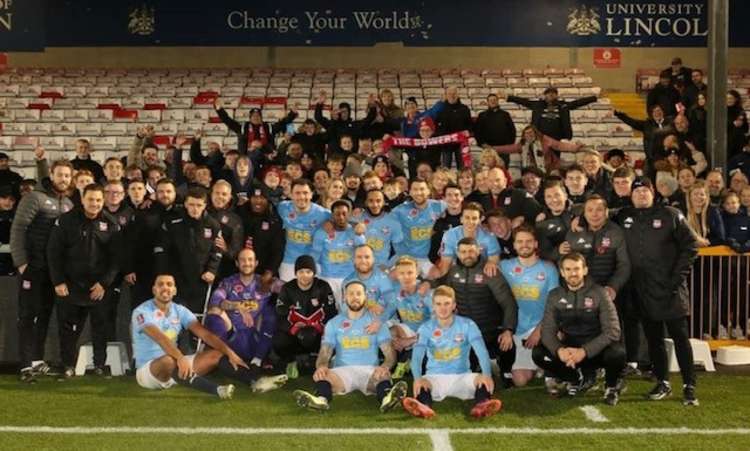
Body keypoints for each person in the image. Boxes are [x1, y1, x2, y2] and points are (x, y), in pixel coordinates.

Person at [615, 177, 699, 406]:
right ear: (630, 195)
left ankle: (689, 385)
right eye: (637, 190)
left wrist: (676, 278)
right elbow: (596, 216)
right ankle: (663, 382)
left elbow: (690, 246)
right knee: (654, 340)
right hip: (642, 290)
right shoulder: (623, 216)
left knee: (681, 338)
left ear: (653, 193)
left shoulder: (670, 214)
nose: (641, 194)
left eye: (645, 190)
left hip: (670, 290)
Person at [131, 274, 258, 398]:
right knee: (168, 361)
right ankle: (217, 390)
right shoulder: (142, 311)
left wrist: (230, 353)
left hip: (176, 366)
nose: (165, 288)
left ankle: (255, 382)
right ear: (154, 290)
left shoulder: (179, 310)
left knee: (216, 354)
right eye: (160, 284)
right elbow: (161, 339)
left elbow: (205, 335)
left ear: (174, 291)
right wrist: (180, 358)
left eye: (169, 284)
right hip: (148, 372)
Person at [292, 280, 407, 413]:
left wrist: (385, 367)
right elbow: (325, 351)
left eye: (359, 293)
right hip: (342, 372)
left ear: (366, 297)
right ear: (344, 297)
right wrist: (321, 366)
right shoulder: (334, 323)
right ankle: (320, 400)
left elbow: (390, 354)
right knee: (323, 375)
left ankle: (387, 399)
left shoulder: (376, 323)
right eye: (351, 294)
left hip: (369, 371)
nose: (355, 297)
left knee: (383, 375)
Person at [46, 184, 122, 378]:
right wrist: (58, 281)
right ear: (82, 199)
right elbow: (53, 253)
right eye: (91, 199)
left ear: (103, 200)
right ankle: (68, 365)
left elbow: (116, 258)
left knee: (100, 328)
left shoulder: (111, 223)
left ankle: (99, 365)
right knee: (68, 329)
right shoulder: (66, 221)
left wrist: (104, 283)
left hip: (98, 288)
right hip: (70, 286)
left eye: (98, 200)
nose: (94, 204)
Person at [532, 252, 626, 405]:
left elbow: (613, 331)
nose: (573, 273)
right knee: (538, 354)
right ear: (562, 272)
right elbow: (547, 331)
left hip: (595, 352)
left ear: (585, 270)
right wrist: (559, 350)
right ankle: (574, 379)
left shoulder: (600, 293)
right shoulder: (554, 295)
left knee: (617, 353)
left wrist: (585, 351)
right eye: (568, 270)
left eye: (576, 269)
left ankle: (611, 387)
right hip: (569, 353)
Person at [10, 159, 73, 383]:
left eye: (67, 175)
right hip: (32, 268)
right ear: (51, 176)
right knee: (28, 316)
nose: (63, 179)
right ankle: (25, 365)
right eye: (60, 175)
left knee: (44, 315)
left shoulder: (68, 204)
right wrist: (21, 263)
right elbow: (18, 229)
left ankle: (37, 360)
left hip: (52, 272)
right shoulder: (34, 198)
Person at [401, 285, 503, 419]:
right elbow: (417, 358)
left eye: (447, 304)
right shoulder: (425, 328)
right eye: (438, 304)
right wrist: (417, 379)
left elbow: (481, 351)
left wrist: (487, 374)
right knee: (423, 384)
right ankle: (424, 406)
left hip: (462, 377)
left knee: (481, 379)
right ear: (433, 306)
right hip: (435, 379)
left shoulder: (468, 325)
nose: (443, 308)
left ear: (454, 305)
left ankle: (482, 405)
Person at [434, 237, 518, 386]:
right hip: (465, 333)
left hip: (490, 330)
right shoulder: (453, 272)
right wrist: (423, 283)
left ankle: (505, 370)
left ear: (478, 251)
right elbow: (440, 288)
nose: (468, 255)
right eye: (464, 251)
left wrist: (508, 330)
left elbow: (509, 303)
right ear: (457, 253)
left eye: (471, 251)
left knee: (507, 344)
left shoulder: (489, 271)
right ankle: (477, 365)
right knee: (464, 375)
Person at [203, 248, 289, 391]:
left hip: (255, 340)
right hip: (232, 338)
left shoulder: (264, 282)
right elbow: (216, 300)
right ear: (237, 263)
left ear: (256, 263)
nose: (246, 263)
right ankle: (223, 357)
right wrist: (237, 306)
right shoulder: (228, 283)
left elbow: (291, 289)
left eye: (250, 260)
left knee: (270, 312)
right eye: (243, 260)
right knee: (214, 313)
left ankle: (257, 362)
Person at [499, 226, 559, 388]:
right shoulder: (504, 267)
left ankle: (544, 365)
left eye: (528, 241)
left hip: (539, 328)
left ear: (535, 244)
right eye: (520, 241)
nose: (524, 245)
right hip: (515, 329)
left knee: (557, 337)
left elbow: (554, 306)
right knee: (520, 380)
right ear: (514, 245)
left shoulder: (548, 269)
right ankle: (536, 365)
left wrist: (539, 331)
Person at [154, 187, 222, 313]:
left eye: (198, 205)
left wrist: (212, 270)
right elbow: (161, 250)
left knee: (197, 318)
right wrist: (163, 273)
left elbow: (217, 251)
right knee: (173, 318)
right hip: (175, 279)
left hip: (201, 279)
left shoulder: (213, 225)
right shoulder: (172, 222)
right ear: (185, 204)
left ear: (205, 205)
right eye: (191, 204)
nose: (195, 209)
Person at [555, 195, 631, 303]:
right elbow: (563, 263)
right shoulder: (574, 232)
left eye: (599, 210)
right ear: (584, 213)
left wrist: (613, 287)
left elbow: (624, 265)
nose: (594, 214)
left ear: (606, 212)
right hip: (578, 293)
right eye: (590, 210)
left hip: (607, 293)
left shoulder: (615, 232)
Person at [273, 255, 337, 379]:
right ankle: (292, 360)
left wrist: (320, 327)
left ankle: (313, 361)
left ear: (313, 273)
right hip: (296, 334)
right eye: (301, 272)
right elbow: (280, 316)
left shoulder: (323, 287)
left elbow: (331, 313)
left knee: (332, 343)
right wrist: (293, 329)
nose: (305, 275)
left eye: (308, 272)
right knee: (278, 341)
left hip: (317, 333)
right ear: (296, 273)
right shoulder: (287, 288)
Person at [123, 178, 182, 307]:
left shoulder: (182, 214)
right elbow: (130, 242)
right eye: (161, 191)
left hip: (175, 273)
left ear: (175, 193)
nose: (165, 194)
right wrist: (129, 268)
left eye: (168, 191)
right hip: (144, 272)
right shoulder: (144, 212)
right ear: (155, 193)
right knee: (141, 312)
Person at [311, 199, 366, 303]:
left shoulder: (356, 233)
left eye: (344, 214)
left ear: (349, 215)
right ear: (332, 215)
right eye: (337, 214)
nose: (341, 217)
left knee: (349, 311)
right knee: (329, 310)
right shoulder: (322, 233)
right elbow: (315, 256)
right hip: (327, 278)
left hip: (350, 278)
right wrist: (316, 279)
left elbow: (362, 256)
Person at [277, 179, 331, 281]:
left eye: (305, 193)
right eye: (297, 193)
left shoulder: (324, 214)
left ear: (311, 194)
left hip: (313, 262)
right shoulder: (282, 207)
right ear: (291, 194)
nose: (301, 197)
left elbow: (342, 222)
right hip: (288, 262)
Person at [431, 203, 500, 279]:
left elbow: (494, 261)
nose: (470, 221)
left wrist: (491, 263)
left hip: (481, 272)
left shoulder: (490, 237)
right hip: (457, 271)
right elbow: (446, 263)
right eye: (467, 217)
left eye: (474, 218)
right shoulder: (450, 235)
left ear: (480, 220)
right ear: (461, 219)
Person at [392, 178, 446, 275]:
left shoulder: (439, 206)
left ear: (428, 191)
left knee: (437, 276)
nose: (418, 193)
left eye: (422, 189)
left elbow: (456, 209)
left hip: (424, 258)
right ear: (410, 192)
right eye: (415, 189)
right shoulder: (400, 210)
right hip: (404, 258)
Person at [507, 87, 597, 141]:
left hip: (557, 138)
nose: (551, 95)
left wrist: (594, 98)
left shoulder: (563, 105)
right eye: (549, 93)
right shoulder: (537, 105)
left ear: (557, 95)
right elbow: (523, 101)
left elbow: (578, 102)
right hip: (539, 138)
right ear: (544, 95)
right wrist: (509, 97)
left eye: (554, 93)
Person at [214, 98, 297, 155]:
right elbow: (228, 121)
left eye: (258, 116)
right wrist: (220, 110)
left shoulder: (268, 127)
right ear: (250, 118)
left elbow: (282, 123)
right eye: (253, 116)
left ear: (261, 117)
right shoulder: (243, 127)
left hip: (266, 156)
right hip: (247, 157)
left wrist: (292, 114)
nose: (256, 117)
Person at [343, 245, 396, 322]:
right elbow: (345, 309)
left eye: (367, 257)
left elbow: (392, 304)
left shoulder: (383, 278)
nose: (363, 261)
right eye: (359, 257)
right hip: (357, 323)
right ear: (353, 260)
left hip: (384, 321)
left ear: (373, 259)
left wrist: (380, 320)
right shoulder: (347, 281)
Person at [353, 189, 404, 269]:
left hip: (381, 268)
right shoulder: (357, 218)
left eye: (378, 201)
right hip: (359, 267)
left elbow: (400, 249)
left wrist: (388, 265)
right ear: (366, 202)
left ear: (384, 202)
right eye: (371, 201)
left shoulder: (393, 221)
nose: (375, 204)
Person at [475, 167, 542, 226]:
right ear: (487, 182)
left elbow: (539, 211)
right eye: (491, 181)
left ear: (505, 181)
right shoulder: (484, 201)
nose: (494, 184)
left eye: (497, 180)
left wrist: (523, 218)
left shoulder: (518, 194)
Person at [207, 180, 244, 281]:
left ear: (230, 197)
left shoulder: (235, 220)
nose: (220, 197)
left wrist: (226, 249)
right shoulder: (201, 210)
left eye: (224, 194)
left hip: (222, 272)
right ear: (211, 193)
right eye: (217, 193)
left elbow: (236, 252)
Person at [474, 93, 516, 166]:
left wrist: (508, 145)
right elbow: (477, 132)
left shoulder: (505, 114)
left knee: (503, 170)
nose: (493, 102)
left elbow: (512, 130)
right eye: (491, 100)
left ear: (497, 101)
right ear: (487, 102)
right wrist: (482, 144)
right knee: (488, 170)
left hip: (503, 149)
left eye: (494, 100)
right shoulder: (482, 115)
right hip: (488, 148)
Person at [435, 86, 473, 169]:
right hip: (446, 143)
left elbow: (469, 124)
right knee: (445, 168)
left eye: (454, 94)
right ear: (446, 95)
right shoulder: (441, 109)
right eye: (450, 94)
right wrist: (441, 135)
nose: (452, 96)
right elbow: (436, 125)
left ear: (458, 95)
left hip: (461, 143)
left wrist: (468, 132)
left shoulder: (465, 109)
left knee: (463, 168)